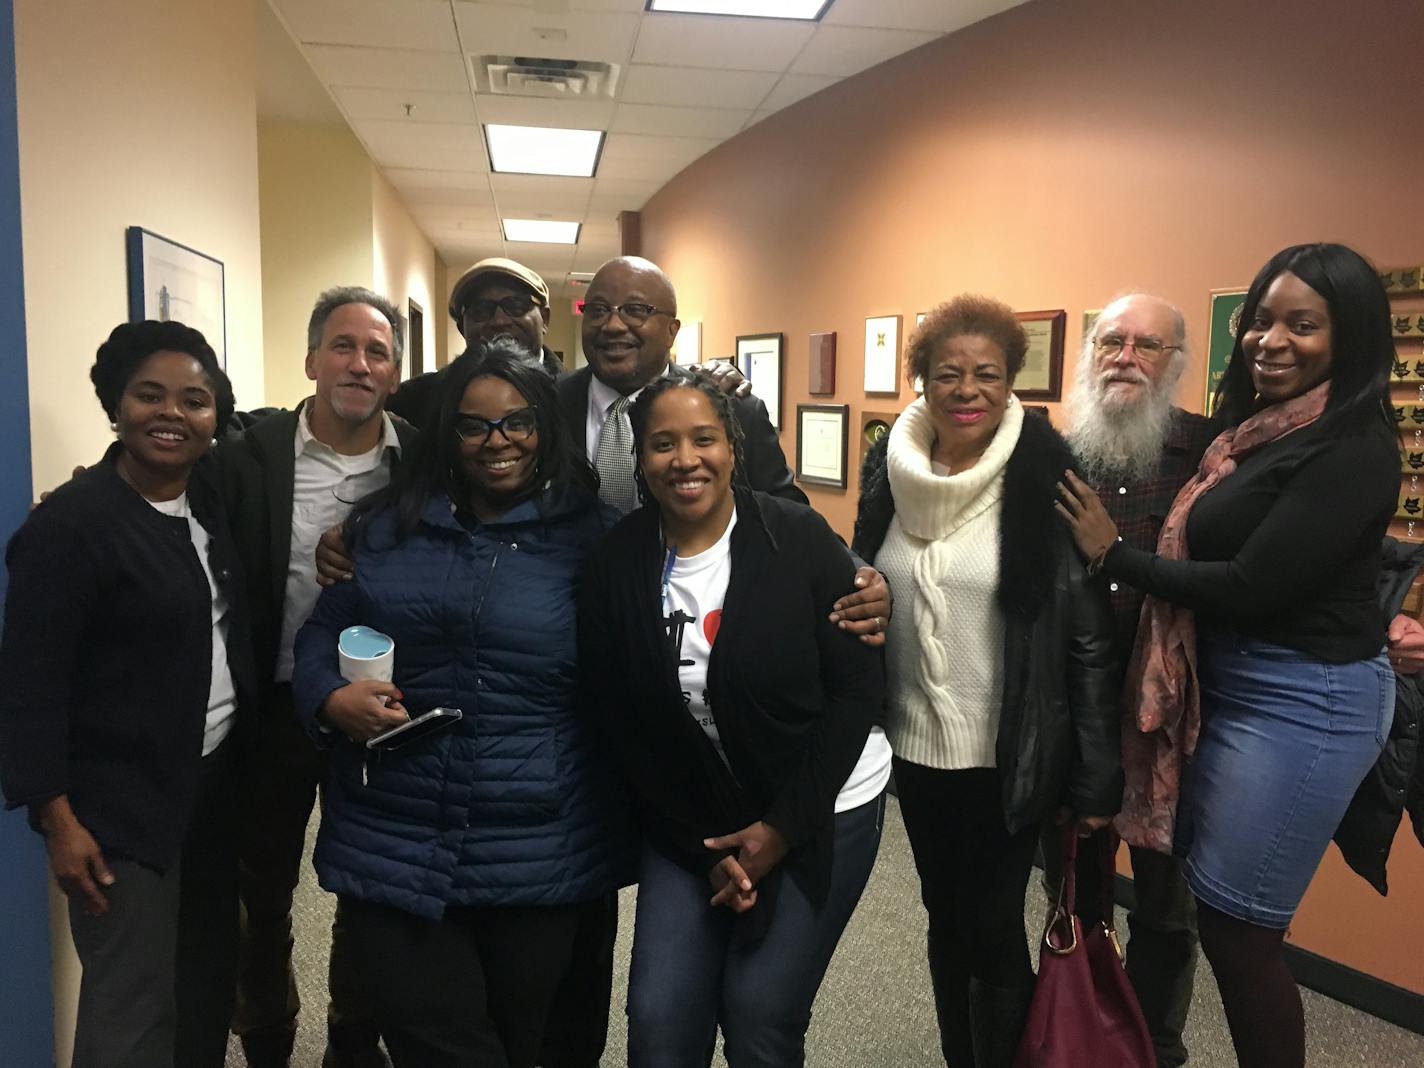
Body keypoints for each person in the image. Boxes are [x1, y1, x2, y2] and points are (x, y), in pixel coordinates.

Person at [1057, 242, 1399, 1068]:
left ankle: (1154, 1049)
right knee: (1084, 892)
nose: (1272, 340)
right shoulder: (1241, 442)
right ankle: (1084, 1040)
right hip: (1152, 695)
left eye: (1303, 324)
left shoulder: (1332, 441)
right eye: (1261, 321)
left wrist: (1113, 554)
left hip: (1262, 701)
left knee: (1219, 924)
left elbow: (1258, 578)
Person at [290, 340, 629, 1068]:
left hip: (538, 844)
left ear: (545, 427)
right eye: (475, 426)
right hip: (397, 835)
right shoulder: (384, 528)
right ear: (448, 434)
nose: (496, 442)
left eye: (517, 422)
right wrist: (328, 698)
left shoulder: (597, 539)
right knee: (435, 1045)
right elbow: (323, 633)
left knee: (528, 1043)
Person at [579, 375, 889, 1066]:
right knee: (659, 1019)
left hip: (822, 799)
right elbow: (620, 723)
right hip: (692, 815)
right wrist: (706, 849)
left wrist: (778, 833)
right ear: (642, 460)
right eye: (663, 444)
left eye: (703, 440)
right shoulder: (616, 564)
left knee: (758, 1014)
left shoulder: (797, 538)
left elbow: (855, 695)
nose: (684, 459)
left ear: (732, 449)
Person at [853, 294, 1121, 1067]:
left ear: (1010, 385)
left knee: (995, 929)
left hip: (1011, 757)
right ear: (922, 382)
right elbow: (862, 572)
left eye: (987, 375)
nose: (967, 390)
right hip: (914, 749)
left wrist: (1097, 780)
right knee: (944, 919)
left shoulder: (1044, 474)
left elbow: (1086, 639)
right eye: (948, 374)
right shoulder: (890, 470)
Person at [0, 320, 255, 1068]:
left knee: (202, 984)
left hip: (207, 789)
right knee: (132, 1004)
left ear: (216, 418)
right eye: (150, 395)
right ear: (115, 404)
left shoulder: (206, 500)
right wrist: (57, 818)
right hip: (117, 812)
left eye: (195, 400)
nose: (172, 413)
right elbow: (28, 684)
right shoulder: (71, 527)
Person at [223, 286, 415, 1068]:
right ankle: (266, 1035)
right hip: (270, 708)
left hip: (376, 706)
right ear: (311, 360)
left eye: (376, 352)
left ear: (395, 374)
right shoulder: (250, 454)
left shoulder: (423, 461)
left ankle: (352, 1039)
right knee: (258, 892)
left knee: (366, 889)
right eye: (343, 346)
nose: (358, 364)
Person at [386, 257, 562, 425]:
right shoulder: (414, 400)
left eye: (516, 306)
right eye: (481, 310)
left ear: (544, 319)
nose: (500, 321)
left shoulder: (577, 396)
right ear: (462, 328)